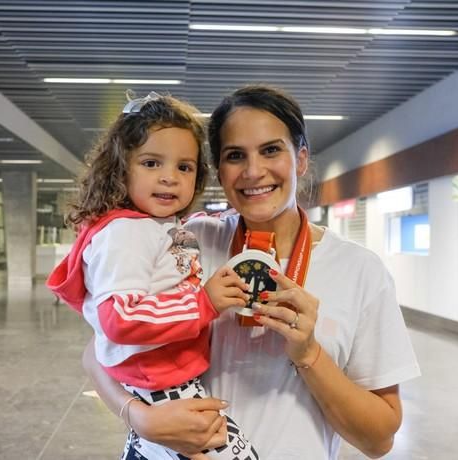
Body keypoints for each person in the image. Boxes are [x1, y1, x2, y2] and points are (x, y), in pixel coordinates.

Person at [82, 85, 421, 459]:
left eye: (271, 150)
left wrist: (308, 353)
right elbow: (99, 350)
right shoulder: (185, 241)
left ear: (301, 158)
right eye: (235, 155)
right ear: (218, 170)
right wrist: (141, 418)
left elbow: (379, 440)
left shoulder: (359, 270)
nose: (254, 171)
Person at [47, 92, 258, 460]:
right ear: (121, 168)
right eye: (150, 162)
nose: (169, 178)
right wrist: (204, 302)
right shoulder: (126, 233)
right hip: (162, 383)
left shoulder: (158, 227)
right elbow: (119, 317)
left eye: (184, 167)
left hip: (165, 380)